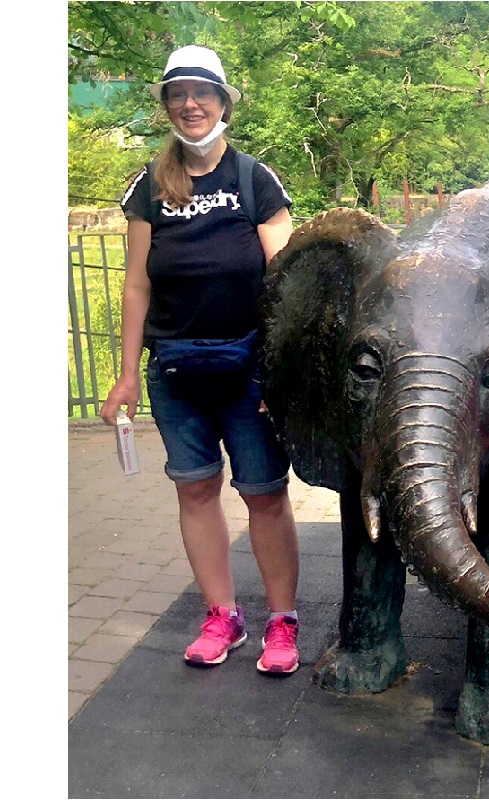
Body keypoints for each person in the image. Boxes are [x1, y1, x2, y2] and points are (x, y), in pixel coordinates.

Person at [99, 45, 302, 675]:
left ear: (223, 102)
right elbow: (137, 285)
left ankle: (282, 622)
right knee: (195, 490)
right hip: (175, 371)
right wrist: (126, 376)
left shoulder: (254, 180)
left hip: (250, 371)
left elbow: (288, 285)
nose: (191, 104)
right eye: (178, 94)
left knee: (264, 494)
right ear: (167, 105)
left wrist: (284, 375)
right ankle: (223, 616)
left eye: (202, 92)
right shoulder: (147, 188)